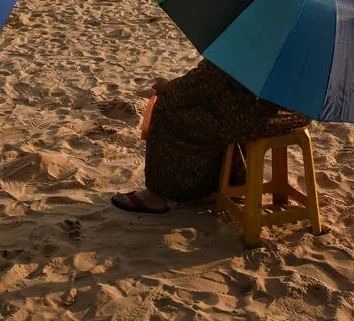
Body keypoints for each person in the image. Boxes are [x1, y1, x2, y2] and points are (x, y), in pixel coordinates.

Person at [110, 58, 311, 213]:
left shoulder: (255, 32)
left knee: (168, 107)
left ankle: (158, 193)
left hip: (255, 116)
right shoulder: (312, 34)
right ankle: (231, 183)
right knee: (230, 101)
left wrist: (168, 87)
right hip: (298, 112)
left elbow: (205, 81)